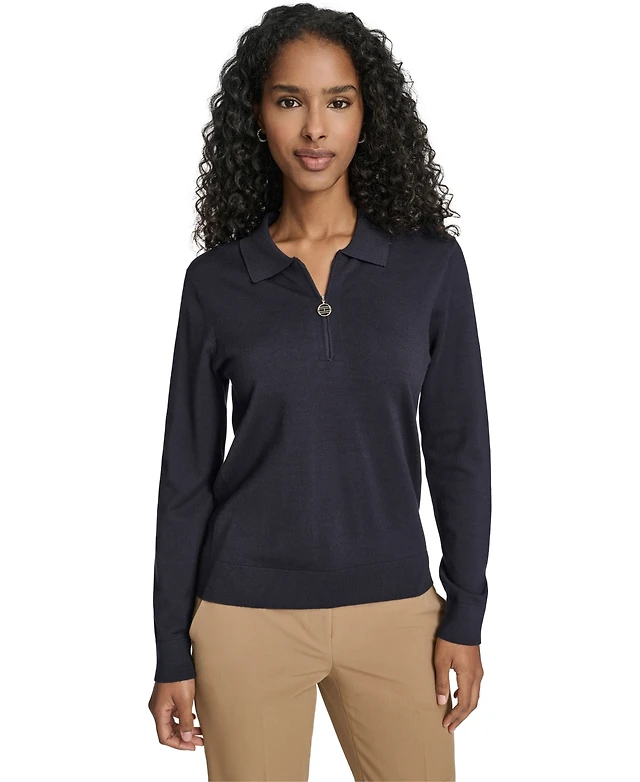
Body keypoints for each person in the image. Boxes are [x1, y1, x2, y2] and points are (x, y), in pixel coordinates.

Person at [148, 4, 491, 781]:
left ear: (368, 115)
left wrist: (465, 614)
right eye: (289, 100)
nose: (314, 128)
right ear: (257, 115)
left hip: (397, 612)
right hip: (243, 617)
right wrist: (171, 650)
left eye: (338, 101)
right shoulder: (215, 283)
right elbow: (185, 477)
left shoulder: (430, 268)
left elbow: (461, 451)